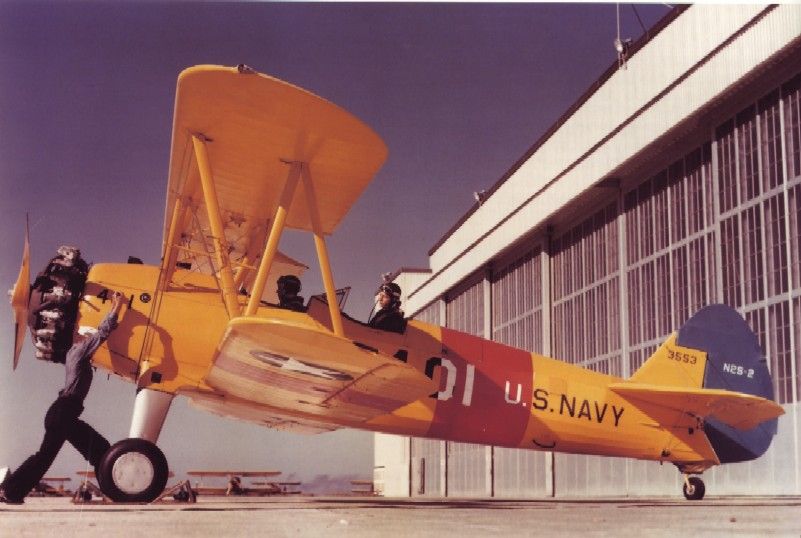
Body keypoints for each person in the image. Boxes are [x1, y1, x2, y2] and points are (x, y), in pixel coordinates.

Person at [0, 291, 125, 504]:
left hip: (64, 413)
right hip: (64, 412)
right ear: (81, 337)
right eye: (87, 336)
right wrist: (116, 306)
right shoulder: (78, 350)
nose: (90, 340)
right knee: (48, 457)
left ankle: (115, 489)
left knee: (95, 449)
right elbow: (103, 333)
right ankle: (10, 491)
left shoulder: (73, 353)